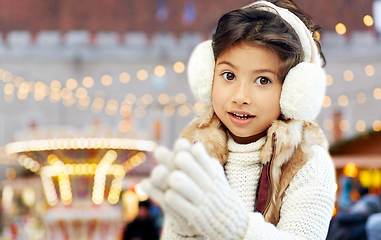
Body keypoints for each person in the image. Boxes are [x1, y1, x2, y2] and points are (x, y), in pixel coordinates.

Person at [142, 0, 336, 239]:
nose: (240, 96)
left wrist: (231, 225)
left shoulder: (307, 161)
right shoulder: (198, 152)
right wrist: (183, 229)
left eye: (263, 80)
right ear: (208, 76)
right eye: (229, 75)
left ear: (293, 92)